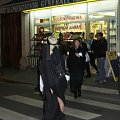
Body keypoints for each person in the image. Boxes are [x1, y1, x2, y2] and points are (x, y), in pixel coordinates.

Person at [40, 34, 67, 120]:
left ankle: (60, 117)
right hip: (60, 80)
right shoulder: (56, 53)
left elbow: (46, 72)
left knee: (56, 101)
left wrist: (49, 86)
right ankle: (60, 116)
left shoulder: (49, 55)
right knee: (59, 99)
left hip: (55, 82)